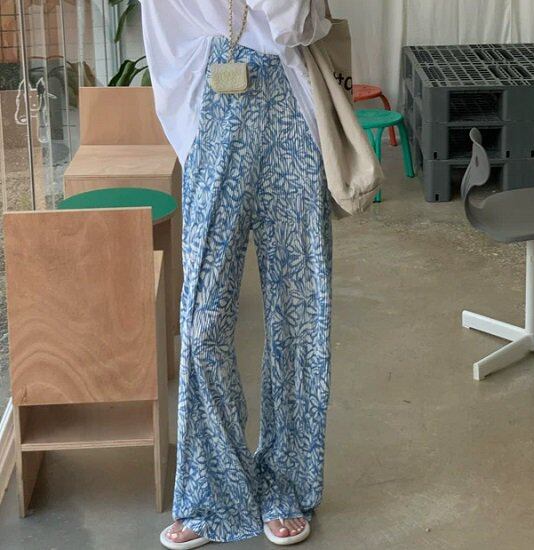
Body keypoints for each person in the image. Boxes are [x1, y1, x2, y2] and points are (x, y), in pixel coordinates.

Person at [138, 1, 333, 547]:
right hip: (212, 107)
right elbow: (167, 35)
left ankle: (286, 485)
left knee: (300, 313)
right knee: (202, 322)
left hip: (292, 110)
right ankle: (212, 494)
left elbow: (299, 24)